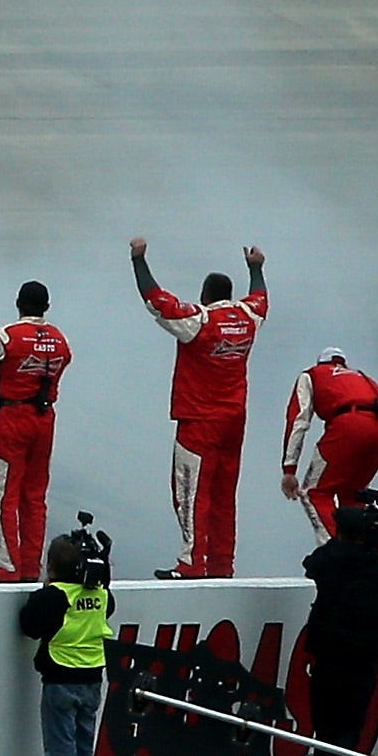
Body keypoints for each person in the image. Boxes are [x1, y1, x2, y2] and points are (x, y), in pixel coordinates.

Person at [129, 236, 267, 579]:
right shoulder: (249, 316)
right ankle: (222, 565)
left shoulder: (199, 320)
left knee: (191, 493)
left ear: (205, 295)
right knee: (224, 495)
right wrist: (256, 268)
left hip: (199, 420)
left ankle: (191, 563)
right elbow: (262, 298)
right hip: (234, 421)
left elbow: (157, 302)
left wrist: (138, 261)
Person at [297, 500, 378, 756]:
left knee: (325, 723)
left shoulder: (330, 560)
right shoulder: (377, 565)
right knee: (350, 725)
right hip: (364, 653)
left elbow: (310, 563)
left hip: (328, 649)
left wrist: (337, 541)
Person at [0, 281, 72, 582]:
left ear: (18, 304)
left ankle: (6, 568)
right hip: (44, 419)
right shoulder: (60, 339)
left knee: (2, 496)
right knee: (35, 496)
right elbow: (59, 364)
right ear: (47, 308)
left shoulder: (6, 335)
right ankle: (30, 568)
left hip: (13, 417)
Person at [19, 533, 114, 756]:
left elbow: (29, 626)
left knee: (60, 748)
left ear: (52, 567)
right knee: (84, 747)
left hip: (61, 678)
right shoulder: (101, 595)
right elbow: (107, 608)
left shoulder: (54, 596)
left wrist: (43, 591)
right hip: (93, 678)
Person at [281, 347, 378, 543]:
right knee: (353, 495)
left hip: (350, 425)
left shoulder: (312, 374)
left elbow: (298, 421)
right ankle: (364, 553)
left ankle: (337, 556)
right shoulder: (361, 377)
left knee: (314, 493)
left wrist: (289, 468)